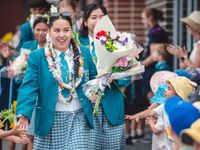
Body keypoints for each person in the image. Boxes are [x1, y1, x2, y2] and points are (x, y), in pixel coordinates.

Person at [16, 8, 97, 149]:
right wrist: (24, 113)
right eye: (57, 30)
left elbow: (94, 78)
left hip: (78, 117)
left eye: (66, 30)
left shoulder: (84, 52)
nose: (62, 35)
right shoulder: (38, 56)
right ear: (49, 32)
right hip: (50, 118)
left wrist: (95, 90)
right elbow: (29, 87)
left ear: (72, 31)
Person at [79, 3, 128, 149]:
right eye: (94, 17)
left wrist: (117, 76)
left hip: (111, 101)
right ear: (85, 21)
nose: (98, 20)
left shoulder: (115, 42)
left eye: (102, 17)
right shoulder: (76, 43)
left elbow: (126, 73)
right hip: (86, 104)